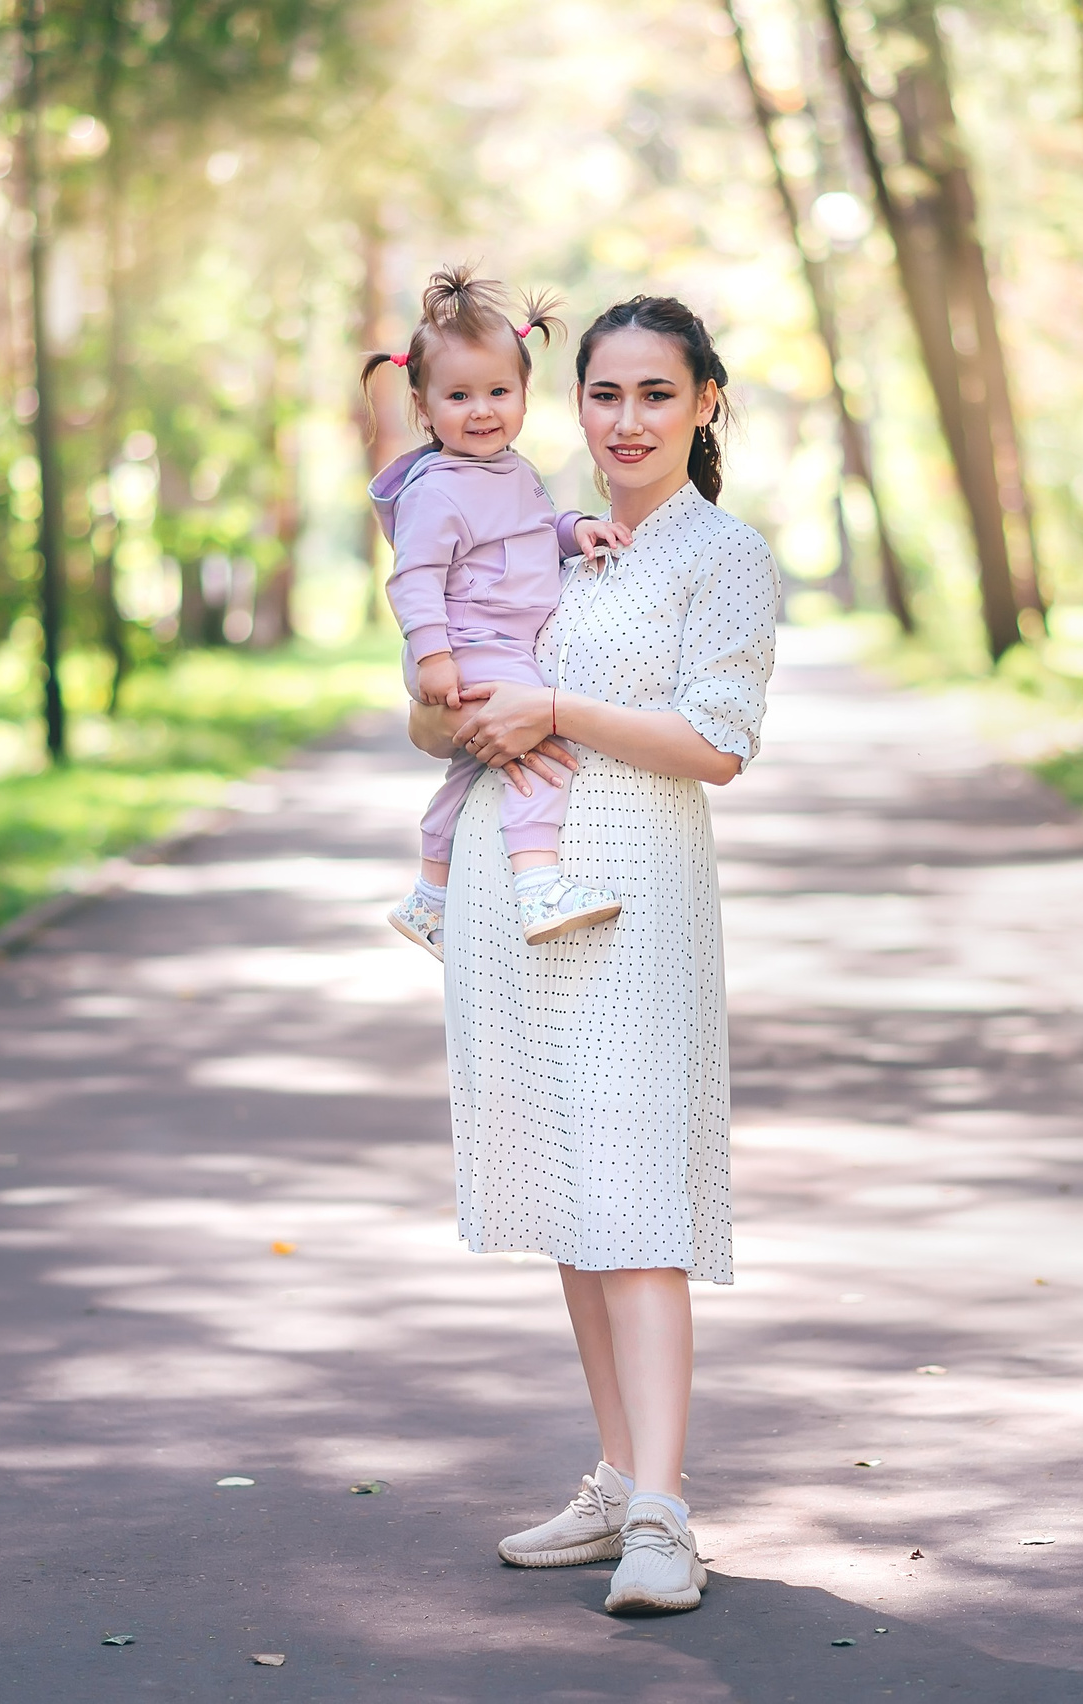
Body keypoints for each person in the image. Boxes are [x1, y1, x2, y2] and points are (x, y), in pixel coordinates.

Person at [407, 295, 777, 1616]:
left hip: (636, 901)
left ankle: (668, 1520)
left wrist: (556, 708)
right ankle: (620, 1479)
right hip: (517, 901)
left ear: (704, 404)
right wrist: (454, 712)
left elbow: (717, 745)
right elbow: (432, 711)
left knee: (637, 1203)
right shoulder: (531, 536)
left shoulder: (721, 557)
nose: (626, 422)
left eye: (656, 396)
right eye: (605, 395)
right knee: (574, 1193)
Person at [366, 266, 634, 957]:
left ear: (523, 396)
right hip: (469, 642)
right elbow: (415, 576)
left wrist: (577, 531)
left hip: (494, 641)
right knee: (544, 741)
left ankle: (429, 895)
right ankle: (538, 882)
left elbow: (532, 527)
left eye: (497, 392)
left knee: (475, 765)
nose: (481, 410)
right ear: (423, 409)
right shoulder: (440, 489)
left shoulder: (511, 471)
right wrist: (433, 654)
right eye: (458, 396)